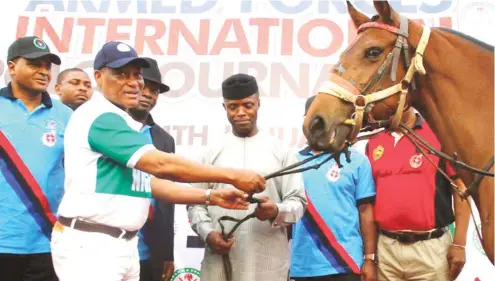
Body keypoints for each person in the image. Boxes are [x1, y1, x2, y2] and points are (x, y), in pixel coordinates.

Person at [50, 42, 266, 281]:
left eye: (136, 75)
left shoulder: (124, 122)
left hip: (121, 246)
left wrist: (210, 197)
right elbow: (162, 165)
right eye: (122, 74)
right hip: (91, 247)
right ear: (99, 77)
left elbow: (149, 184)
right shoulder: (100, 117)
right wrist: (233, 175)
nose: (133, 82)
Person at [187, 73, 307, 281]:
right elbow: (195, 203)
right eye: (233, 107)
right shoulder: (209, 153)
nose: (241, 112)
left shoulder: (281, 151)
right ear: (224, 108)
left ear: (258, 104)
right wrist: (208, 233)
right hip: (219, 262)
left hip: (267, 263)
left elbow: (298, 203)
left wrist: (276, 211)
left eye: (248, 105)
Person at [364, 106, 470, 281]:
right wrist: (371, 256)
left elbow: (460, 189)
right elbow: (370, 202)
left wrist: (459, 243)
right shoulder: (373, 141)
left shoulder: (438, 134)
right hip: (387, 249)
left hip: (430, 249)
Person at [0, 36, 72, 281]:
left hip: (47, 242)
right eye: (34, 64)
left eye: (47, 66)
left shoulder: (67, 115)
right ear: (11, 67)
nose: (44, 72)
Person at [289, 96, 377, 281]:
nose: (317, 125)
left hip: (346, 264)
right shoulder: (291, 162)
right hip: (303, 267)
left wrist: (369, 259)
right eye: (311, 119)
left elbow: (365, 211)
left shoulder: (357, 160)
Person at [127, 57, 176, 281]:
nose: (148, 94)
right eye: (144, 86)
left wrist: (167, 252)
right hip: (108, 248)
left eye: (154, 90)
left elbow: (167, 202)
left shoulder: (164, 140)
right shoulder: (108, 127)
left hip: (149, 252)